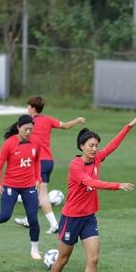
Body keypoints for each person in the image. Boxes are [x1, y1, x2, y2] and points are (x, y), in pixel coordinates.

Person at [45, 116, 136, 272]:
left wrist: (127, 126)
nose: (95, 149)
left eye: (97, 145)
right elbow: (90, 182)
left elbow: (113, 146)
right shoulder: (76, 166)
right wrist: (117, 185)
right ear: (82, 146)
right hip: (71, 218)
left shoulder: (97, 158)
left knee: (94, 258)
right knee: (63, 258)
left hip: (89, 217)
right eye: (91, 145)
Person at [14, 95, 85, 232]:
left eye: (28, 106)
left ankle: (54, 224)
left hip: (38, 162)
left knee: (41, 194)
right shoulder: (48, 119)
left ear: (33, 108)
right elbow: (65, 126)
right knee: (34, 191)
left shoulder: (28, 125)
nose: (27, 108)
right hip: (48, 161)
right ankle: (29, 219)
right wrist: (77, 120)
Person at [0, 115, 43, 260]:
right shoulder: (9, 144)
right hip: (11, 185)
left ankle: (34, 249)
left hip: (29, 186)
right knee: (5, 215)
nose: (28, 132)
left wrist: (38, 179)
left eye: (31, 129)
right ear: (18, 128)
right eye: (25, 129)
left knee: (33, 219)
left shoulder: (36, 142)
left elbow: (37, 161)